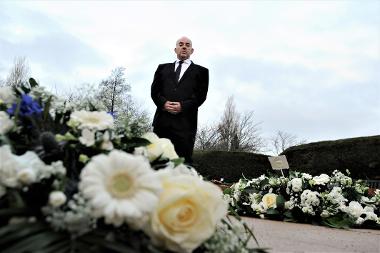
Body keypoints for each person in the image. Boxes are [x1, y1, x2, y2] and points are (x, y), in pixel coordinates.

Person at [151, 36, 209, 164]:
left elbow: (201, 96)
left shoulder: (202, 72)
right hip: (162, 123)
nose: (184, 47)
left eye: (187, 45)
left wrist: (183, 106)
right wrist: (163, 103)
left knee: (182, 165)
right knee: (157, 162)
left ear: (192, 50)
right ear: (175, 49)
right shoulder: (162, 68)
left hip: (185, 126)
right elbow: (155, 92)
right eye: (181, 44)